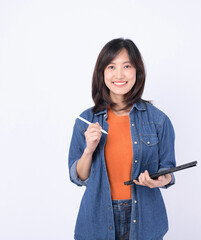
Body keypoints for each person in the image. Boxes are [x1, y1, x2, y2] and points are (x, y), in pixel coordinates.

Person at [68, 38, 176, 240]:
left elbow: (168, 170)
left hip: (145, 221)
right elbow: (78, 177)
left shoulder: (158, 121)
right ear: (102, 73)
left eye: (127, 66)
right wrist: (89, 149)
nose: (119, 74)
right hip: (97, 220)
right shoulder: (86, 121)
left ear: (137, 72)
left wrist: (160, 179)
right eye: (111, 66)